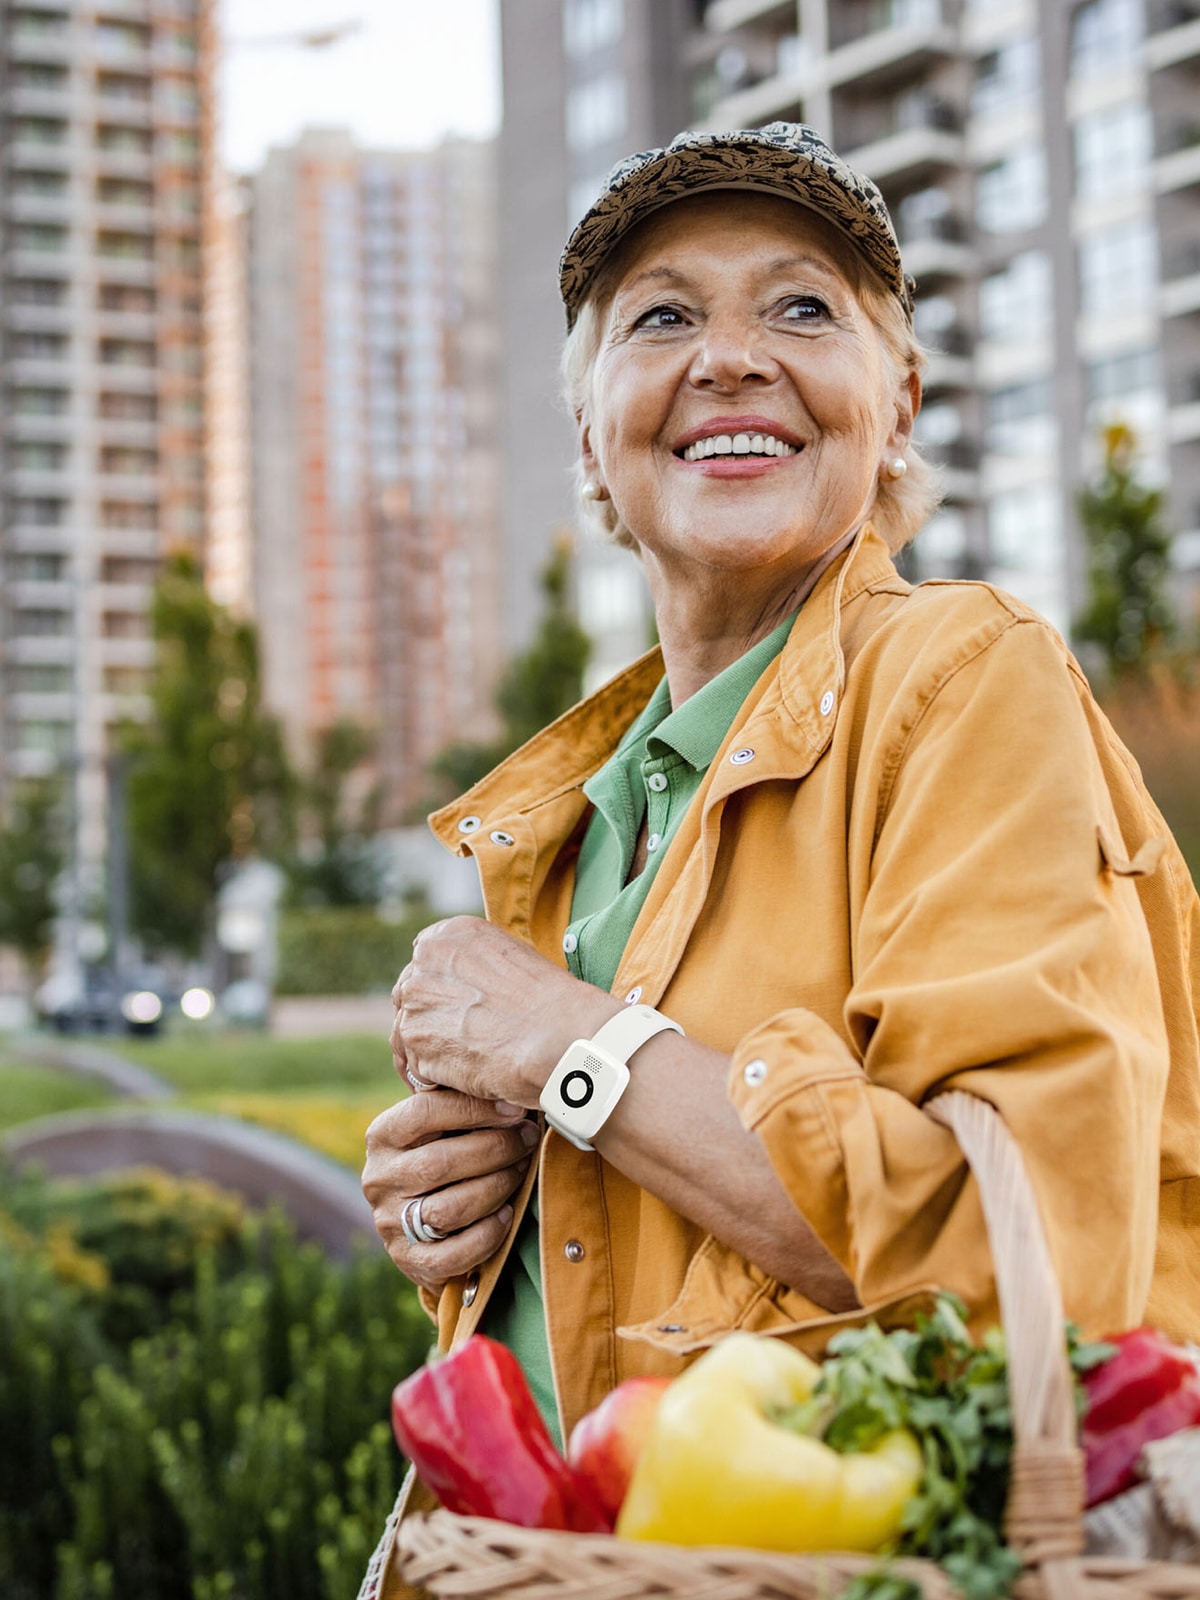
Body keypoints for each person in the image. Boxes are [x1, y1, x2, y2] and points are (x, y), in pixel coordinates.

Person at [360, 121, 1200, 1592]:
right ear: (592, 440)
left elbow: (1023, 1283)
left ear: (898, 408)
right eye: (663, 316)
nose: (731, 357)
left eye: (802, 308)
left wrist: (573, 1045)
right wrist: (460, 1209)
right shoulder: (574, 822)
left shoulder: (961, 678)